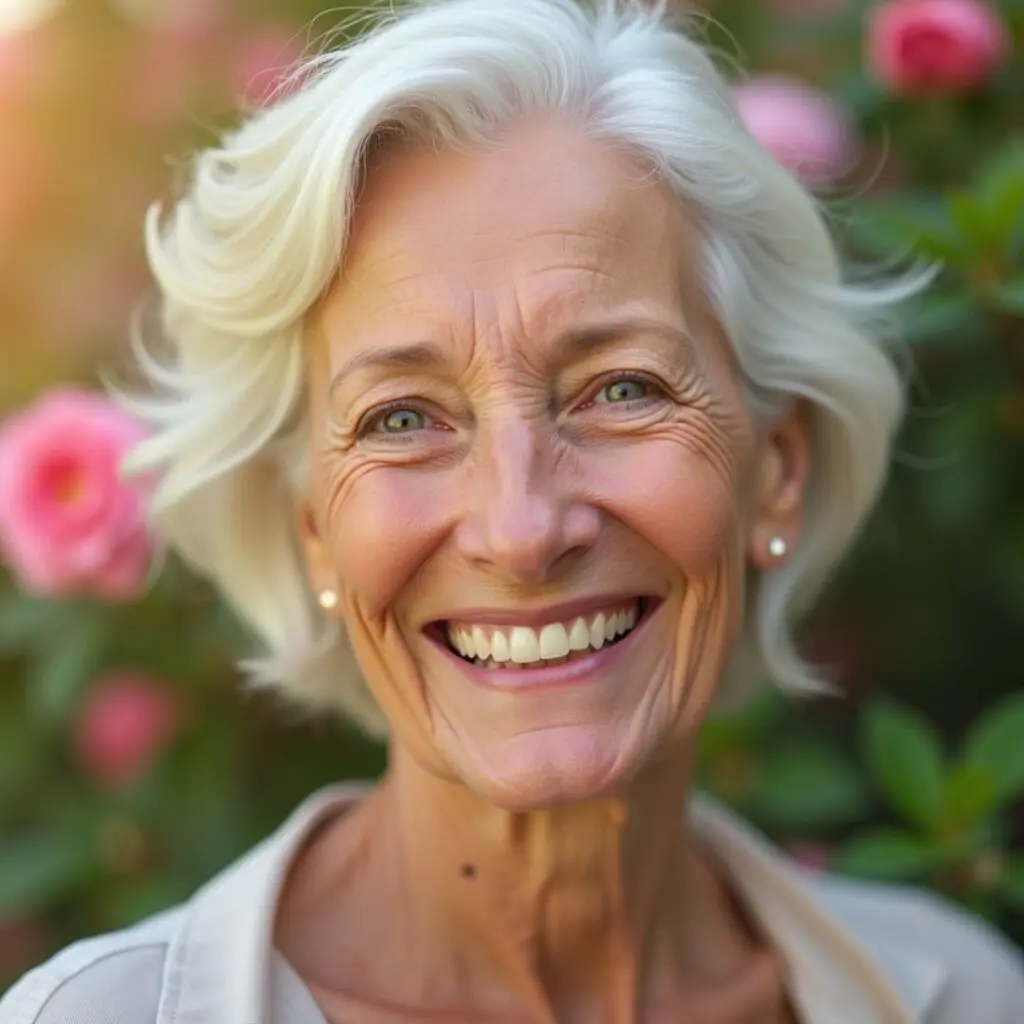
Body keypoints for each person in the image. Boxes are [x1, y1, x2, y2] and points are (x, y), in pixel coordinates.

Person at [4, 0, 1024, 1021]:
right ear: (316, 528)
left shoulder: (964, 998)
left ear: (776, 470)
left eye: (621, 389)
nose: (523, 529)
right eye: (402, 416)